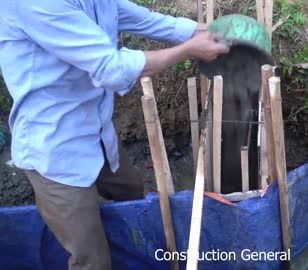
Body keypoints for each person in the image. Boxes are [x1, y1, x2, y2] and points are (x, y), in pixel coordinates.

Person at [0, 0, 230, 269]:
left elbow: (140, 18)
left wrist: (198, 31)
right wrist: (188, 50)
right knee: (92, 259)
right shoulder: (35, 5)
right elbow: (111, 67)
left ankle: (136, 254)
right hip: (55, 152)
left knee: (132, 193)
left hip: (95, 131)